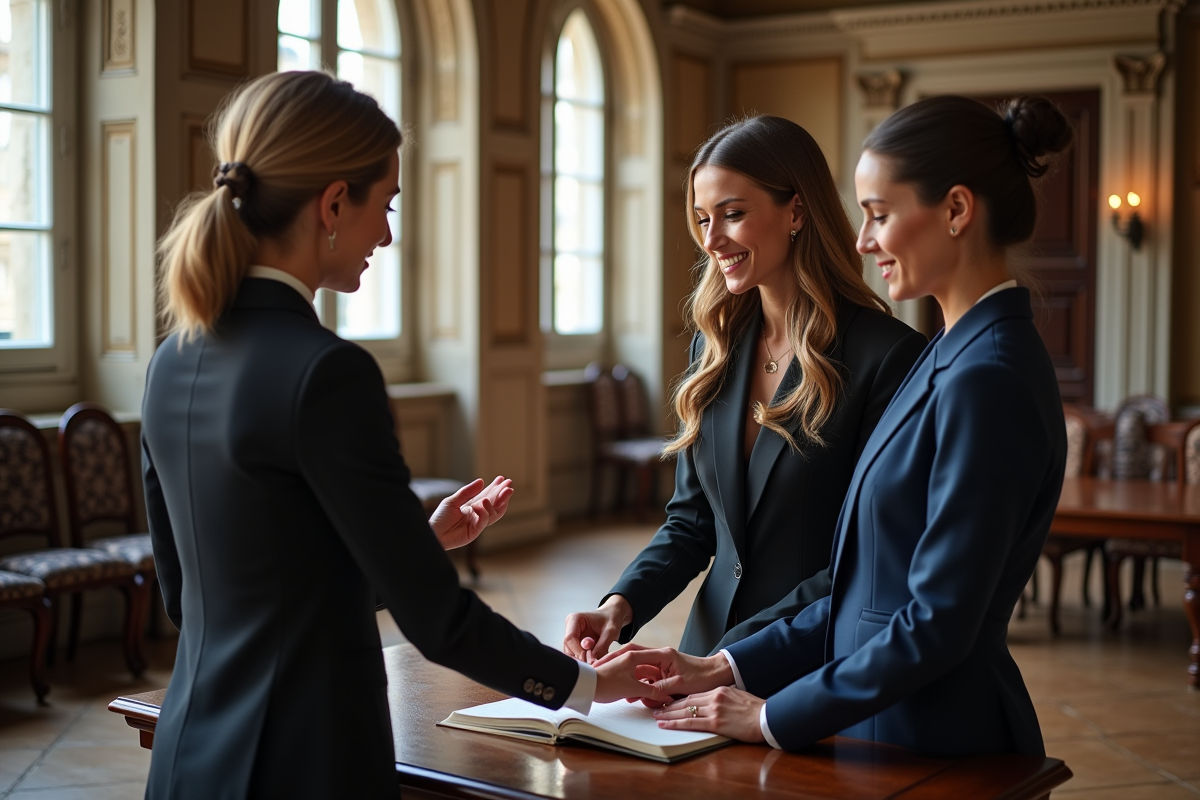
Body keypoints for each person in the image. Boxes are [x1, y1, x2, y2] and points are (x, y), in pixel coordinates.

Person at [141, 71, 659, 800]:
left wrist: (416, 545)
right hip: (304, 765)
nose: (386, 235)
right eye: (384, 206)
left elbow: (201, 596)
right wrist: (586, 684)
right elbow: (440, 623)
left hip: (188, 758)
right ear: (332, 204)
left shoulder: (171, 360)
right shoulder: (328, 373)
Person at [601, 95, 1073, 757]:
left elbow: (935, 621)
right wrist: (726, 664)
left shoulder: (983, 373)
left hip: (925, 734)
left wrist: (772, 716)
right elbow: (867, 581)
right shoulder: (951, 354)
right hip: (857, 711)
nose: (863, 239)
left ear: (957, 211)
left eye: (880, 213)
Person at [563, 115, 925, 661]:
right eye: (702, 218)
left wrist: (733, 658)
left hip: (811, 660)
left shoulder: (889, 356)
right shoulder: (713, 349)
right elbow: (692, 522)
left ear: (796, 211)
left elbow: (869, 557)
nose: (711, 240)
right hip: (703, 651)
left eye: (732, 214)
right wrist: (620, 604)